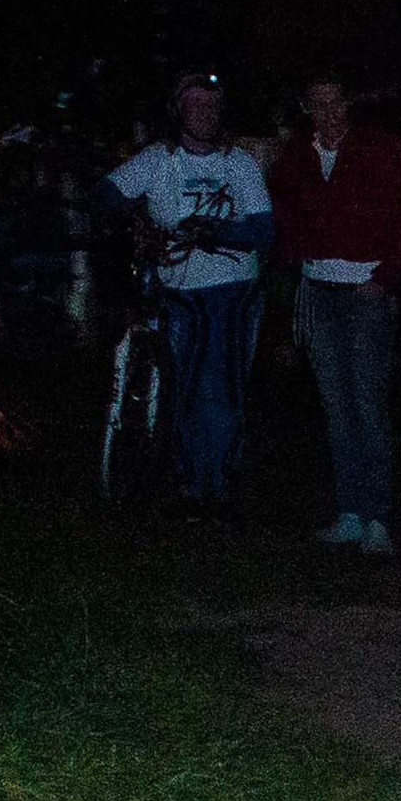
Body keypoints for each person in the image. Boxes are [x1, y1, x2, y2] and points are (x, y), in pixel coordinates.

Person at [104, 71, 274, 510]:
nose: (203, 113)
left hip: (229, 288)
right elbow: (104, 193)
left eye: (211, 104)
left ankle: (214, 481)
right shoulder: (158, 159)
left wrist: (215, 230)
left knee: (218, 385)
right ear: (178, 110)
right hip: (174, 287)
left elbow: (262, 228)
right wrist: (138, 216)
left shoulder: (239, 164)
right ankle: (182, 475)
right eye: (194, 103)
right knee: (176, 381)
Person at [268, 69, 401, 556]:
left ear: (348, 104)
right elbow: (283, 213)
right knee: (335, 406)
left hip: (364, 291)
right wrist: (298, 265)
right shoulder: (296, 154)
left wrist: (385, 278)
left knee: (367, 404)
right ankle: (351, 512)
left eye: (335, 102)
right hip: (318, 289)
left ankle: (378, 517)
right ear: (306, 107)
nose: (328, 113)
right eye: (317, 103)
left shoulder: (378, 149)